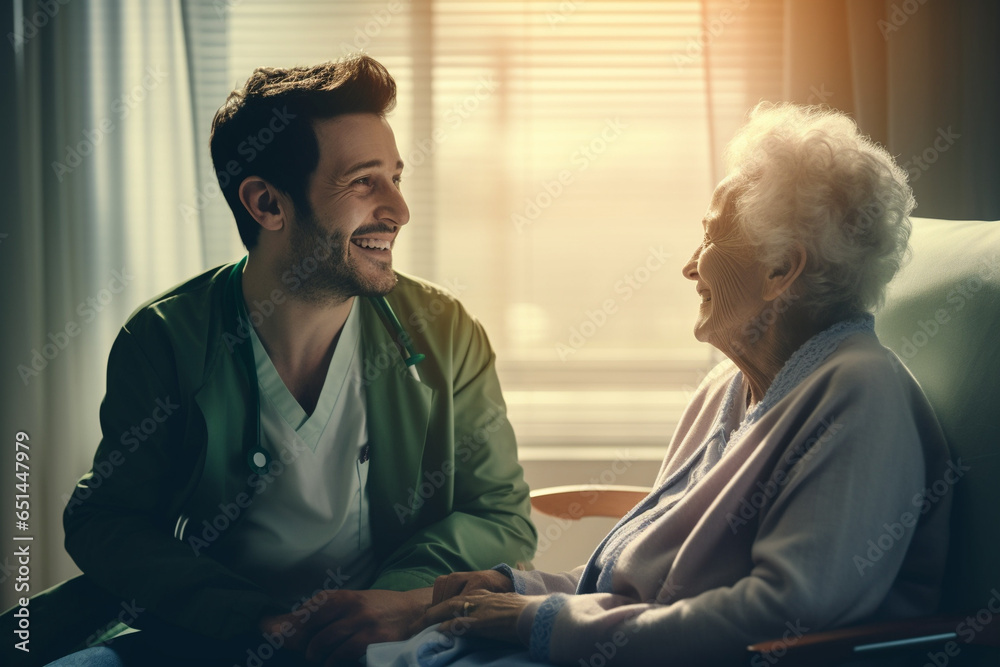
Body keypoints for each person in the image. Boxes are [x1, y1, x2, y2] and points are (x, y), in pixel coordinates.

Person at [365, 102, 953, 666]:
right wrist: (514, 588)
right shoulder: (728, 387)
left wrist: (534, 619)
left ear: (781, 270)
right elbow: (641, 584)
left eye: (713, 236)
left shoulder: (860, 397)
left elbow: (781, 617)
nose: (691, 264)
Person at [16, 54, 536, 667]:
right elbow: (106, 520)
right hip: (215, 635)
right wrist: (253, 618)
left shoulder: (446, 332)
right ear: (267, 204)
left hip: (399, 635)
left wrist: (387, 602)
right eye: (365, 181)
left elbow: (501, 517)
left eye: (397, 177)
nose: (399, 209)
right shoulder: (165, 340)